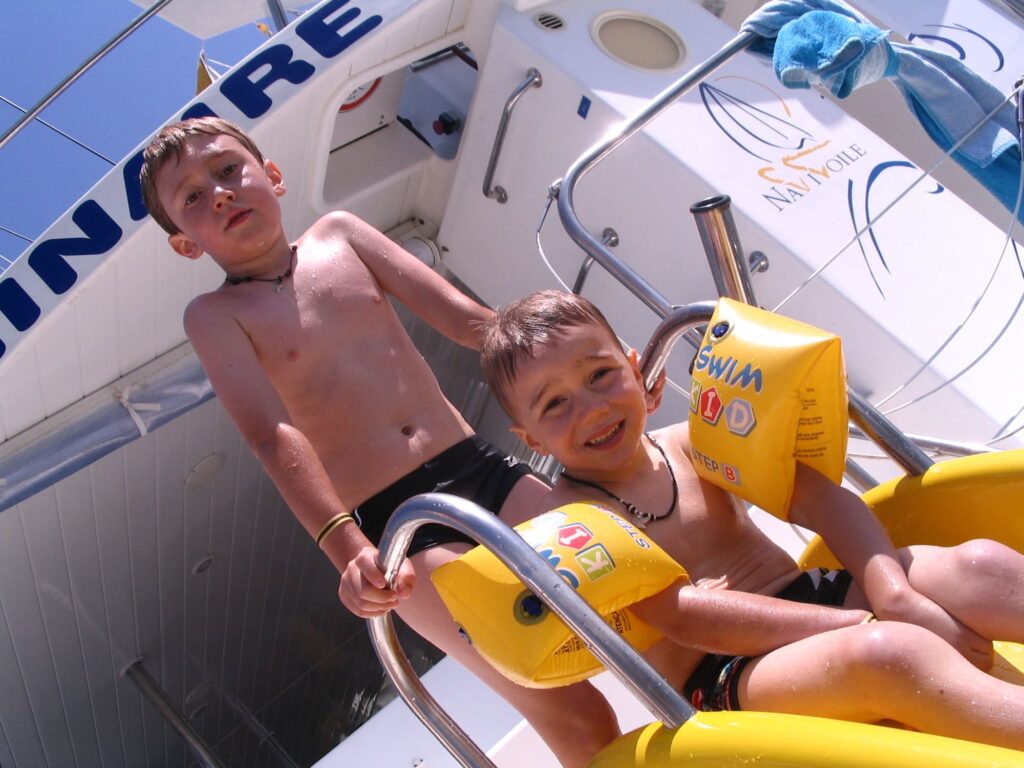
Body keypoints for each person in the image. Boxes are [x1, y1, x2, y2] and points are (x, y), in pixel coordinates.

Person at [139, 117, 619, 766]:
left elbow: (474, 323)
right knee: (575, 713)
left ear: (273, 176)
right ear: (184, 245)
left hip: (484, 470)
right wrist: (349, 552)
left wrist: (602, 371)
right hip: (399, 532)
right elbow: (271, 436)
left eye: (227, 170)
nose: (219, 193)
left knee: (639, 600)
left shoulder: (342, 235)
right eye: (191, 198)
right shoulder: (216, 318)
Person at [479, 289, 1024, 751]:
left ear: (637, 369)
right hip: (729, 678)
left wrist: (894, 595)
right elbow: (683, 617)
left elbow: (821, 502)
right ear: (529, 439)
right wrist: (864, 623)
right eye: (554, 405)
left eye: (600, 374)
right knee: (891, 653)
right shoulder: (575, 519)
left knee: (979, 565)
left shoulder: (697, 443)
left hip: (810, 596)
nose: (592, 408)